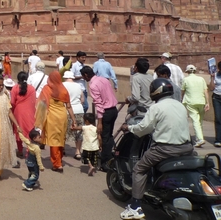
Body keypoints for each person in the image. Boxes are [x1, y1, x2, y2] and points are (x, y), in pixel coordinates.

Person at [119, 79, 193, 220]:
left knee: (139, 169)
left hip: (164, 149)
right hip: (186, 147)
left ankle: (135, 207)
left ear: (155, 92)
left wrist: (129, 127)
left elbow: (143, 128)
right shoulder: (180, 105)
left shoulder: (156, 108)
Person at [35, 71, 76, 172]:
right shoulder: (64, 90)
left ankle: (57, 164)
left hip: (51, 117)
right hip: (62, 116)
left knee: (54, 140)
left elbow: (41, 104)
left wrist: (39, 119)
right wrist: (74, 120)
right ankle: (59, 160)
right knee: (60, 138)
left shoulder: (46, 89)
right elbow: (69, 107)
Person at [80, 66, 118, 170]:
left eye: (84, 76)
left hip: (106, 112)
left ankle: (105, 163)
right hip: (114, 110)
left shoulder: (93, 85)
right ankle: (109, 158)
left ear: (86, 75)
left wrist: (100, 121)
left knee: (104, 137)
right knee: (109, 135)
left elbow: (99, 104)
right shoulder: (104, 80)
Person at [181, 64, 209, 147]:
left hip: (191, 102)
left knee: (195, 121)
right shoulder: (201, 79)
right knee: (200, 121)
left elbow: (182, 91)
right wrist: (208, 103)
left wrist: (181, 99)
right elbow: (206, 91)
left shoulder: (186, 79)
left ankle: (200, 139)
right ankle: (198, 138)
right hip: (201, 101)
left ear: (187, 71)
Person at [10, 71, 36, 159]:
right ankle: (29, 151)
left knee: (19, 131)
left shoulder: (15, 88)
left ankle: (20, 150)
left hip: (18, 112)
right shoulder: (32, 88)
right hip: (30, 112)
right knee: (29, 131)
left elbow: (12, 102)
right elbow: (34, 101)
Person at [63, 70, 85, 160]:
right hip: (79, 109)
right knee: (79, 131)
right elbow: (82, 99)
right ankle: (78, 151)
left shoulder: (62, 85)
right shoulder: (78, 85)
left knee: (64, 130)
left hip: (66, 110)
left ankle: (62, 148)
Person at [209, 61, 221, 147]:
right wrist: (212, 78)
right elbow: (211, 88)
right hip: (216, 97)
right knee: (218, 118)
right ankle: (218, 139)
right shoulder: (216, 75)